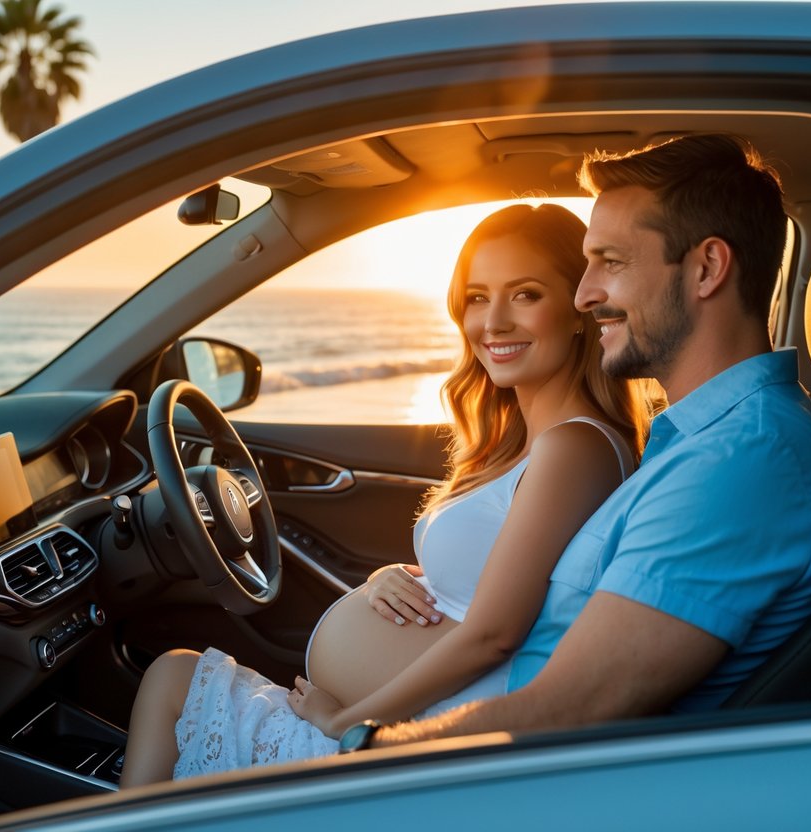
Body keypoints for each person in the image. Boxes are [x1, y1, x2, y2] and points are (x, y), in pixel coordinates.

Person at [344, 133, 811, 753]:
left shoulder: (743, 461)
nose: (585, 295)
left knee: (189, 682)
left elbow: (567, 709)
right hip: (476, 758)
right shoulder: (700, 440)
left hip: (489, 781)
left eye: (610, 262)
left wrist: (357, 746)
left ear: (707, 268)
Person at [118, 203, 650, 786]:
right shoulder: (528, 443)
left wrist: (348, 723)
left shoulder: (574, 447)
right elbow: (497, 584)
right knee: (176, 680)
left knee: (173, 679)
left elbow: (494, 635)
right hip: (397, 724)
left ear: (578, 309)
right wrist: (395, 578)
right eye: (477, 297)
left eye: (524, 294)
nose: (493, 321)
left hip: (419, 747)